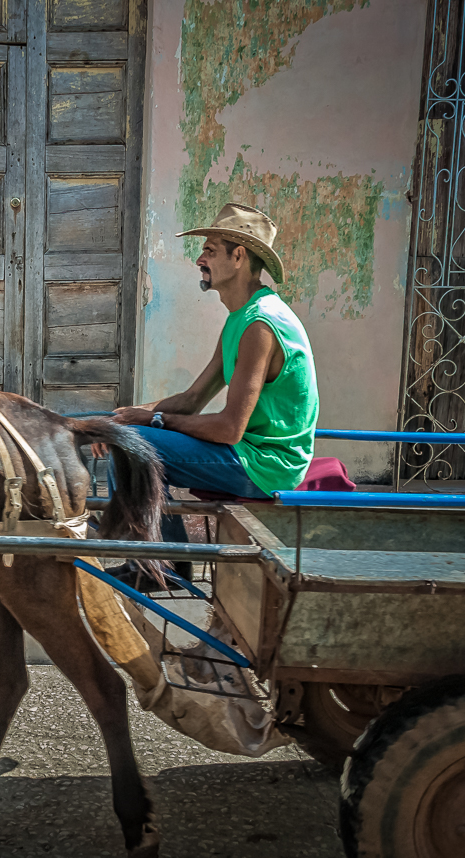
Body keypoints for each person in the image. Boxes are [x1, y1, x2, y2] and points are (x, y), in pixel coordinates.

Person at [100, 203, 319, 590]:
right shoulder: (242, 317)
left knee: (132, 447)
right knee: (125, 435)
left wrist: (149, 423)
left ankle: (161, 565)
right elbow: (193, 398)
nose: (200, 259)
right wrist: (129, 414)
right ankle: (162, 561)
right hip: (250, 452)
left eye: (211, 250)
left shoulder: (260, 325)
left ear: (239, 257)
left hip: (265, 465)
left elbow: (230, 429)